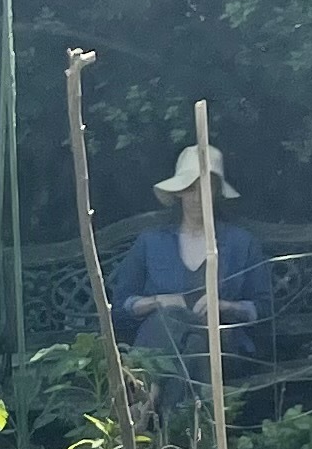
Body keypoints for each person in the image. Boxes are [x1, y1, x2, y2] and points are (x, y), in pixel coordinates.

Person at [109, 140, 272, 373]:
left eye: (206, 186)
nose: (197, 197)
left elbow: (264, 309)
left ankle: (149, 398)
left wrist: (225, 306)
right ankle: (192, 408)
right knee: (173, 324)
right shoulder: (151, 242)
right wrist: (157, 302)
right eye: (190, 187)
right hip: (160, 341)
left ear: (216, 192)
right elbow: (120, 307)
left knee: (192, 336)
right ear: (178, 193)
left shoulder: (241, 243)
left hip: (222, 348)